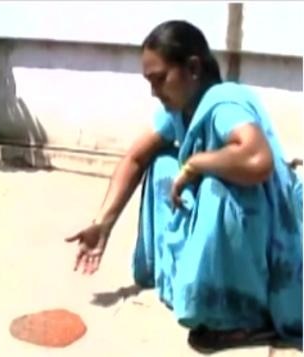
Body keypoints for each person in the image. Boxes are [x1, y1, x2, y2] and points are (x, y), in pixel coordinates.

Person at [66, 20, 302, 353]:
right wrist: (103, 223)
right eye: (149, 82)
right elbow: (134, 158)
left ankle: (243, 316)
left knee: (215, 188)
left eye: (159, 79)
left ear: (192, 67)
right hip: (248, 223)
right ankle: (186, 283)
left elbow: (256, 160)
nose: (154, 91)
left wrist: (195, 164)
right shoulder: (179, 108)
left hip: (274, 228)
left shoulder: (223, 102)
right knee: (162, 163)